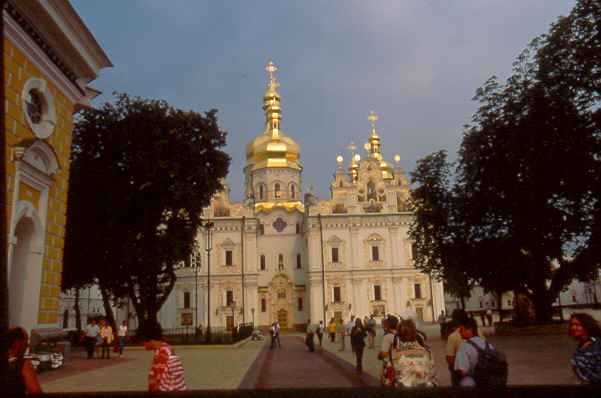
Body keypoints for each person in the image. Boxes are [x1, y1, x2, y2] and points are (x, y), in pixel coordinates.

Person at [390, 319, 436, 387]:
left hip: (404, 390)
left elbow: (393, 372)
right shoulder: (427, 352)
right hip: (424, 389)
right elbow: (432, 372)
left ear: (399, 335)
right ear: (415, 333)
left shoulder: (394, 353)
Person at [446, 309, 485, 386]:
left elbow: (450, 359)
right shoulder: (478, 331)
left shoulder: (453, 336)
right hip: (481, 370)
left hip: (464, 374)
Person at [4, 327, 42, 394]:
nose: (27, 346)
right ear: (17, 343)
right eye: (26, 342)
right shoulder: (24, 365)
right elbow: (36, 392)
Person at [454, 317, 491, 387]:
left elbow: (462, 371)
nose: (459, 332)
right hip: (490, 381)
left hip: (476, 383)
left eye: (461, 330)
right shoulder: (486, 343)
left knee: (465, 382)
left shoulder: (464, 347)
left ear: (470, 330)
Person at [568, 313, 601, 384]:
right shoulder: (581, 347)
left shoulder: (597, 345)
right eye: (571, 325)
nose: (573, 328)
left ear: (587, 326)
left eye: (577, 325)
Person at [378, 315, 399, 386]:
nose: (383, 326)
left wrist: (379, 355)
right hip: (400, 363)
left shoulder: (387, 336)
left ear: (388, 325)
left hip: (390, 366)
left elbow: (384, 354)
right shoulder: (400, 334)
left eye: (384, 324)